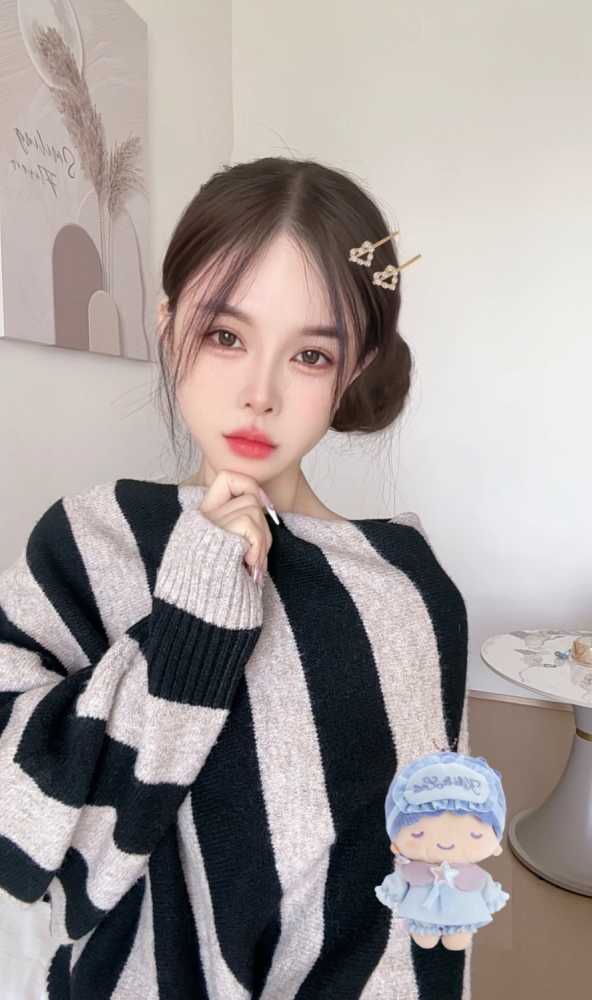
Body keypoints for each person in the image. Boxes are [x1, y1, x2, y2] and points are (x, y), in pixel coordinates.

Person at [0, 156, 470, 999]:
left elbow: (432, 886)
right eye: (226, 335)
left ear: (356, 367)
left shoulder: (407, 591)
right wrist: (198, 611)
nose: (259, 393)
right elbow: (29, 839)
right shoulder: (91, 542)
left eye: (311, 355)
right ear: (167, 321)